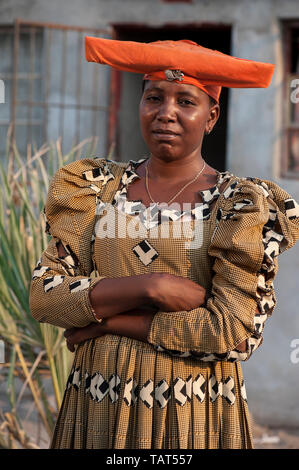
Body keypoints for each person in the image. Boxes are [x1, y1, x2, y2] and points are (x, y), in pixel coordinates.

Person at [29, 38, 299, 449]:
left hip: (196, 405)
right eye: (154, 97)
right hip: (101, 394)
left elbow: (231, 332)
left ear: (211, 117)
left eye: (185, 102)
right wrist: (150, 288)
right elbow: (45, 296)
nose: (166, 113)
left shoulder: (240, 204)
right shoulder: (95, 189)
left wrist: (108, 320)